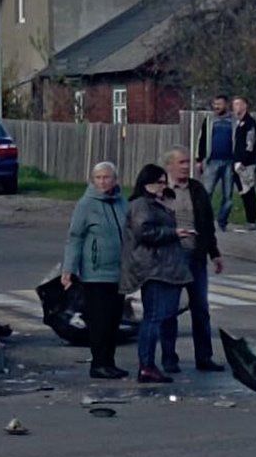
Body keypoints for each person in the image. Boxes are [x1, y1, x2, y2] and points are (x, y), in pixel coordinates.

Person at [119, 163, 193, 384]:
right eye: (159, 182)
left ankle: (151, 364)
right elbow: (145, 231)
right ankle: (147, 365)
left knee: (161, 316)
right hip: (155, 269)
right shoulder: (141, 204)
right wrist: (174, 232)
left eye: (164, 182)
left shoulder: (155, 202)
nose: (163, 186)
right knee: (153, 318)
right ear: (147, 183)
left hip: (163, 267)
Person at [60, 161, 130, 379]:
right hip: (95, 272)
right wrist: (68, 269)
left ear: (115, 180)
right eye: (98, 178)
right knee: (99, 321)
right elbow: (75, 238)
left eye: (107, 177)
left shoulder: (121, 203)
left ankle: (109, 361)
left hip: (119, 273)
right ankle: (98, 364)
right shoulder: (86, 204)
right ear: (92, 180)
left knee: (113, 319)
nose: (102, 182)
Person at [162, 146, 226, 372]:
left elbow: (207, 223)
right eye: (180, 162)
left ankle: (204, 357)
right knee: (169, 310)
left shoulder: (197, 189)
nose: (185, 166)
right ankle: (169, 357)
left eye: (187, 162)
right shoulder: (161, 190)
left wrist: (214, 252)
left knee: (200, 308)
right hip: (171, 258)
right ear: (169, 166)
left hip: (195, 256)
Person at [196, 94, 235, 232]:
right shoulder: (209, 120)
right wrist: (199, 159)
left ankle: (222, 221)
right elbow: (201, 140)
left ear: (226, 104)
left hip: (229, 162)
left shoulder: (233, 121)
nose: (216, 106)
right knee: (207, 193)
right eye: (215, 104)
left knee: (228, 196)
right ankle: (203, 220)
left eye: (219, 104)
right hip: (212, 161)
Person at [231, 96, 256, 232]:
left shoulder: (249, 122)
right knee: (243, 192)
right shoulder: (237, 123)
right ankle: (249, 220)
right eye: (234, 104)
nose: (235, 107)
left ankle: (252, 221)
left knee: (248, 191)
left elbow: (250, 143)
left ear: (245, 106)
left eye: (238, 104)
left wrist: (243, 160)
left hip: (246, 164)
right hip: (236, 162)